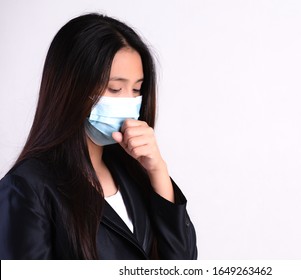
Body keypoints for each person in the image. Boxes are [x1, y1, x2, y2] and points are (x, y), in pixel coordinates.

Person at [0, 13, 197, 260]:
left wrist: (158, 171)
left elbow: (182, 266)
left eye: (136, 89)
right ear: (73, 89)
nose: (129, 101)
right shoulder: (27, 187)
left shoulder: (133, 174)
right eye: (115, 88)